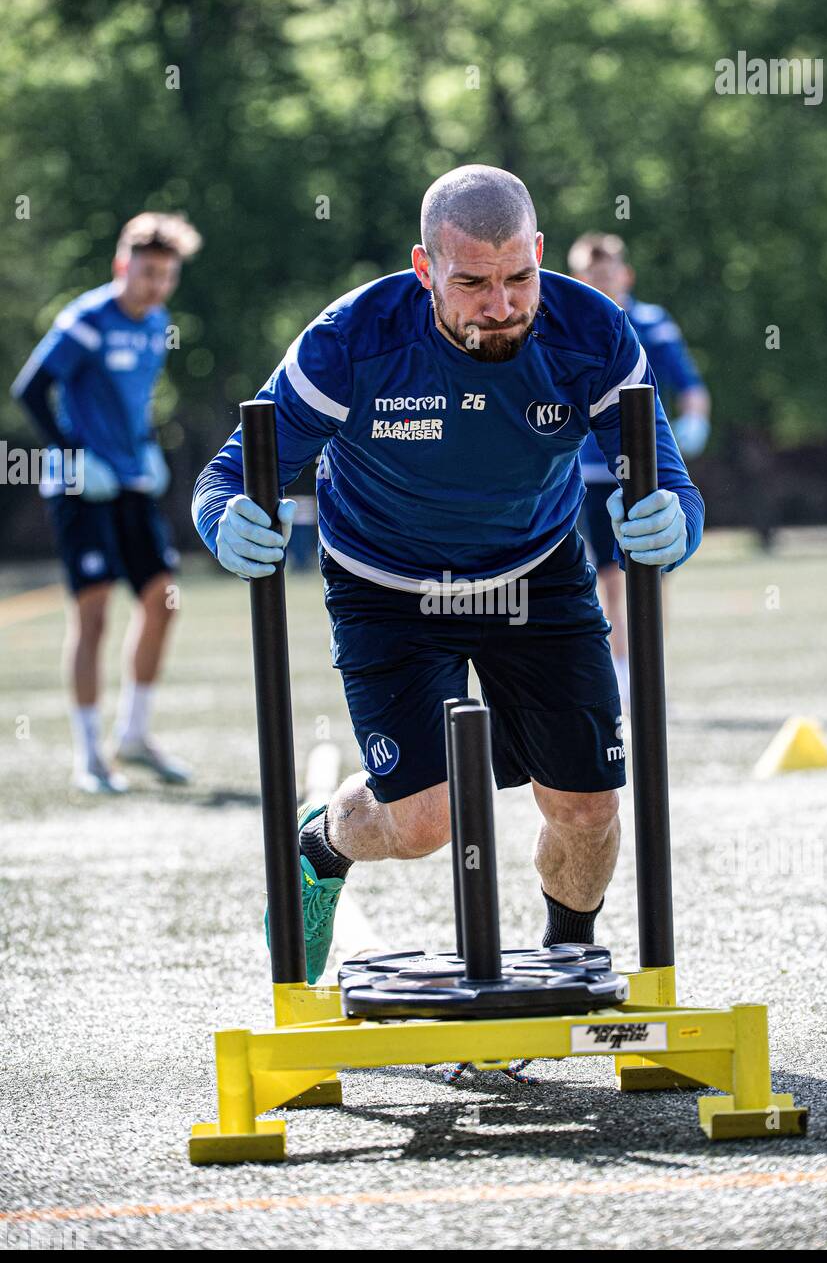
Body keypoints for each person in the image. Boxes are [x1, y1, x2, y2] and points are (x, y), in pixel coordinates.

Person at [193, 165, 704, 984]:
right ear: (425, 267)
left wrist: (676, 522)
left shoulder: (592, 332)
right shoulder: (351, 340)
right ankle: (320, 845)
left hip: (534, 571)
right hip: (386, 583)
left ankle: (568, 957)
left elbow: (668, 480)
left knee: (587, 806)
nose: (500, 305)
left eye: (518, 278)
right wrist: (222, 522)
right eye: (470, 282)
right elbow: (227, 475)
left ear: (539, 252)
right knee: (425, 817)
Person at [12, 211, 202, 792]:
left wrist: (144, 446)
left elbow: (129, 400)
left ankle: (134, 735)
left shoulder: (156, 324)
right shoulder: (87, 320)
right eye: (147, 273)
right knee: (92, 614)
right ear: (123, 266)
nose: (156, 286)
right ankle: (90, 756)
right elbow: (30, 390)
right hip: (81, 487)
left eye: (166, 276)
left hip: (129, 483)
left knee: (161, 600)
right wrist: (74, 457)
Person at [568, 233, 710, 710]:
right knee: (609, 573)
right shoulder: (574, 327)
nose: (602, 284)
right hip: (591, 468)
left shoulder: (651, 322)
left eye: (608, 275)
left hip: (645, 467)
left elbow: (688, 383)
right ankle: (624, 670)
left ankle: (651, 662)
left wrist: (694, 420)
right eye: (591, 278)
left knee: (653, 569)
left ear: (625, 275)